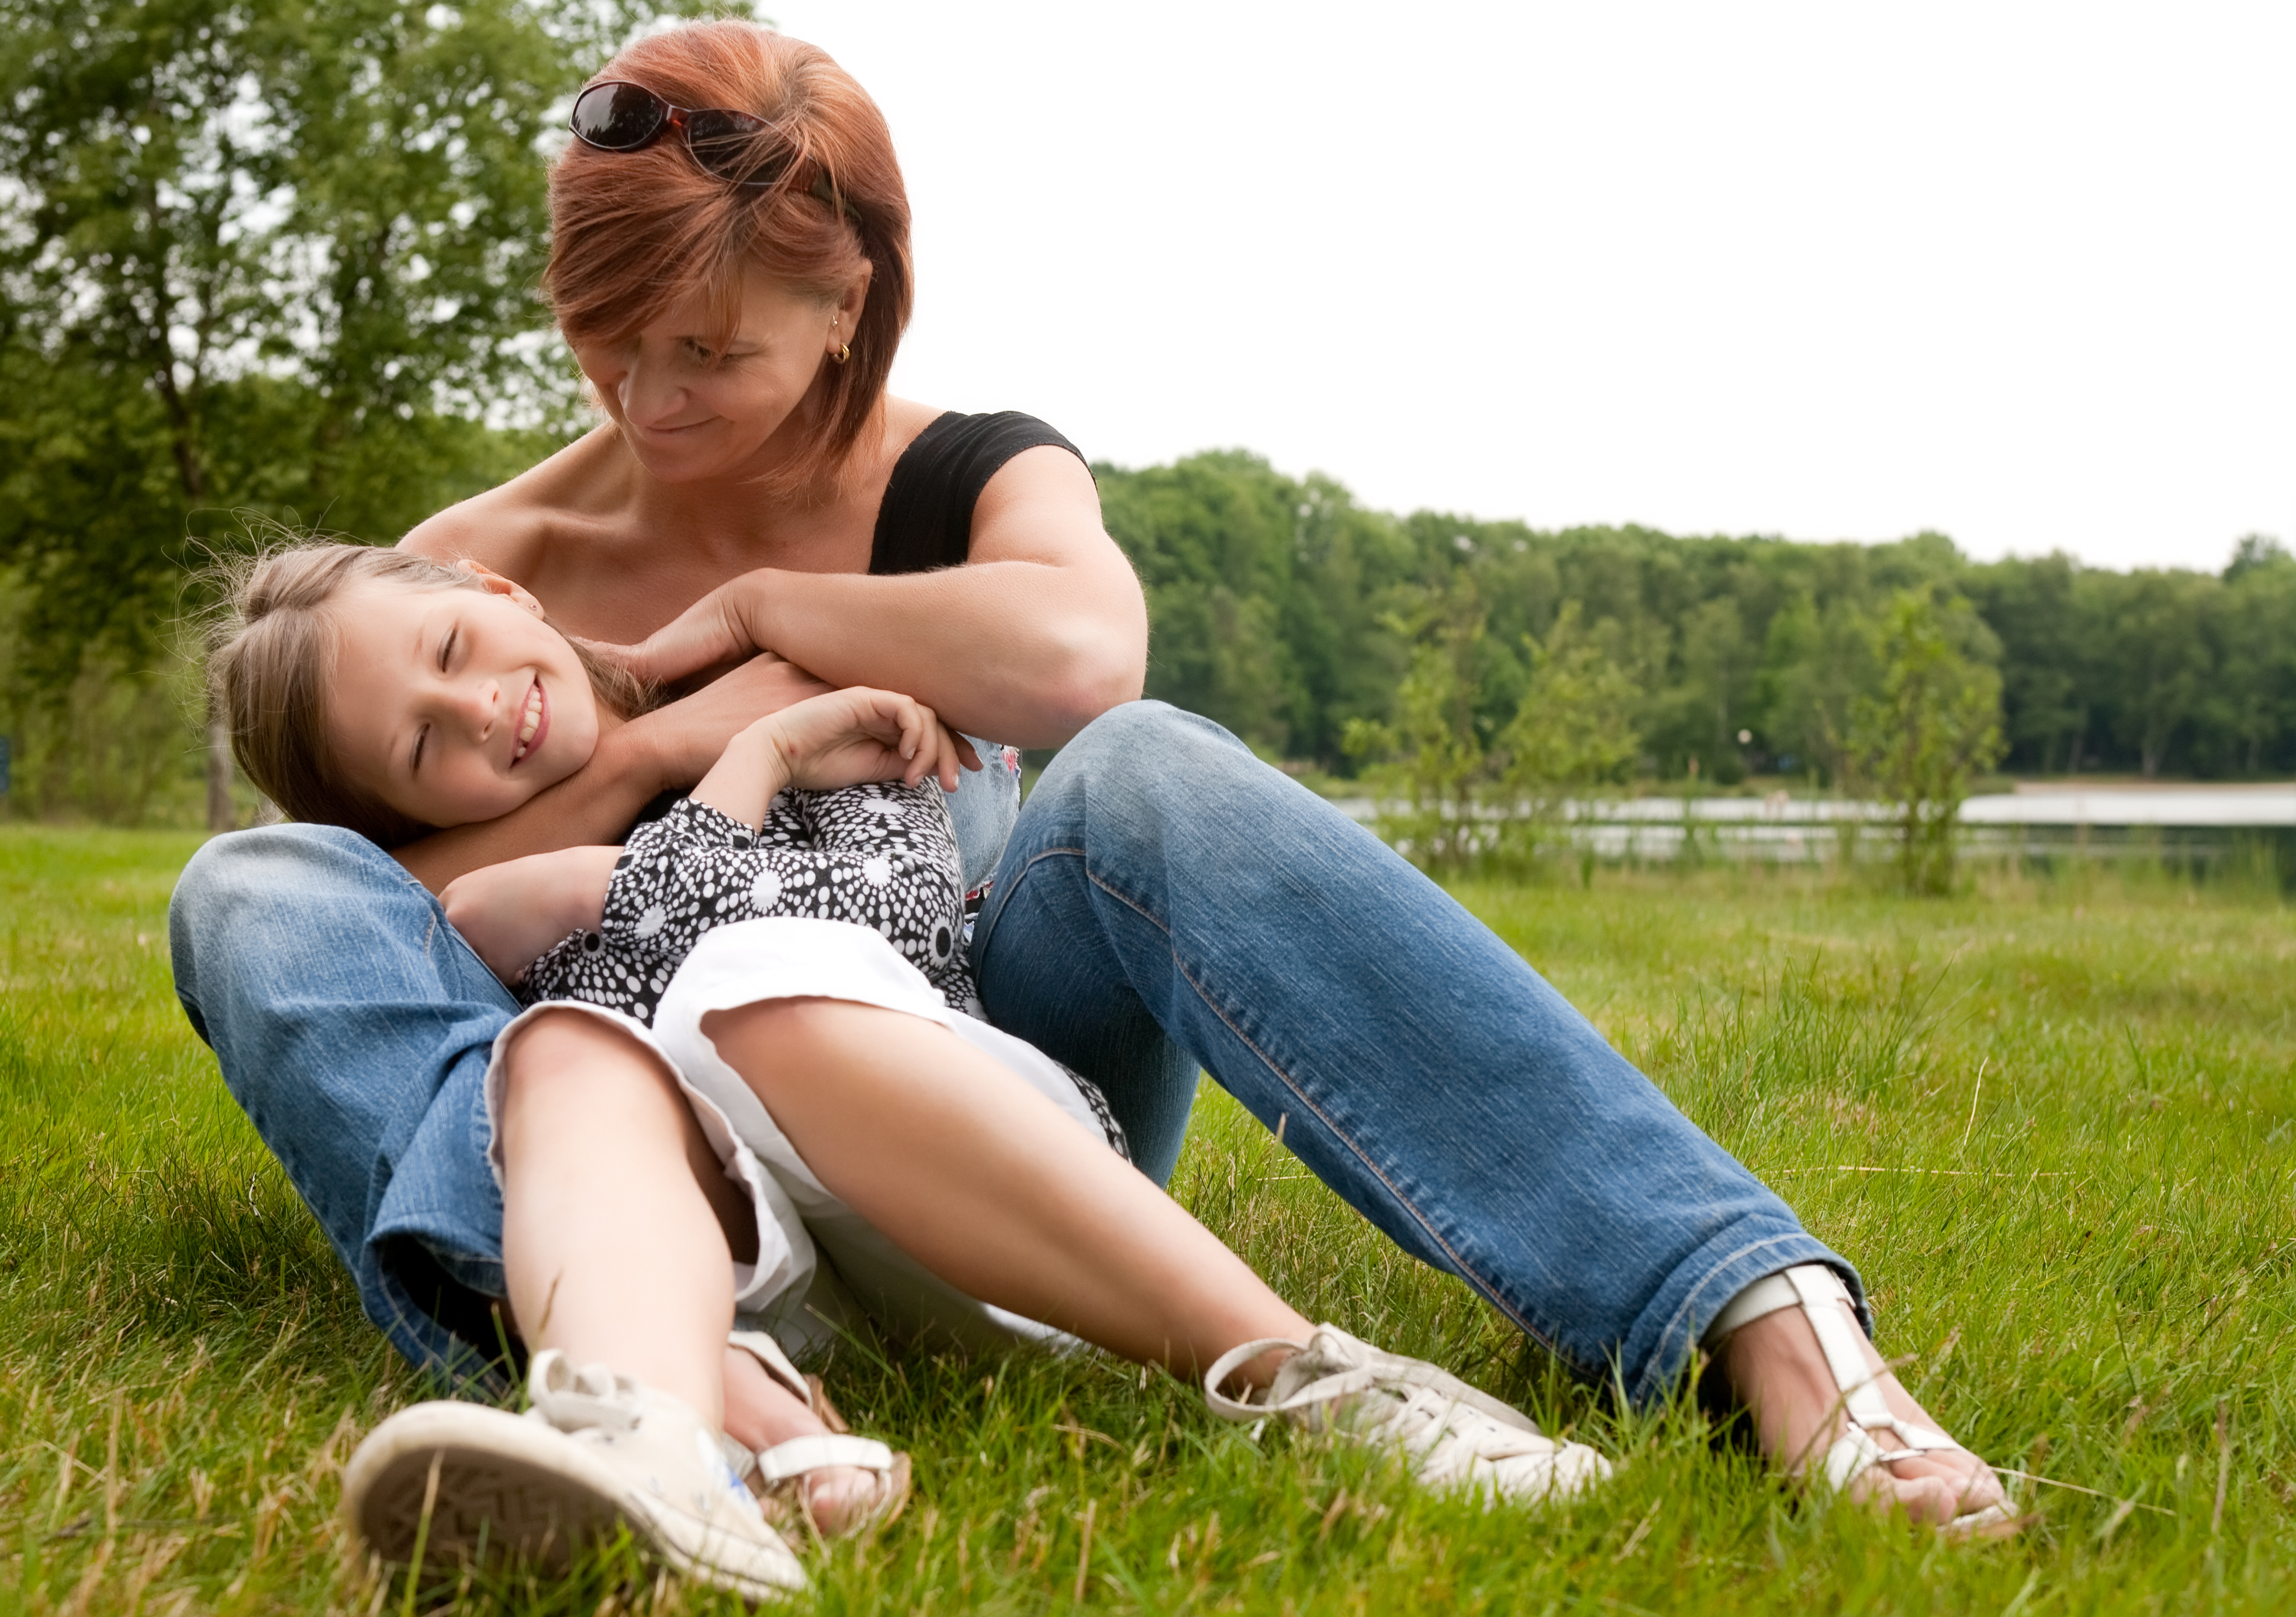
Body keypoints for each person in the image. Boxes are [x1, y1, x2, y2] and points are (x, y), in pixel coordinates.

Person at [166, 16, 2013, 1589]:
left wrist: (756, 625)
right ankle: (658, 1380)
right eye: (604, 333)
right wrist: (664, 743)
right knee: (252, 894)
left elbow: (1071, 666)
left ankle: (1761, 1325)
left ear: (847, 305)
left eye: (707, 348)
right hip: (674, 1160)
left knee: (1139, 772)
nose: (643, 394)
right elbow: (385, 908)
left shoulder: (973, 470)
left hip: (992, 1089)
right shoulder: (479, 573)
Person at [205, 541, 1609, 1599]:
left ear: (501, 594)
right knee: (564, 1054)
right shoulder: (504, 881)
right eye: (423, 748)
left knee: (744, 982)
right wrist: (731, 763)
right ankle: (657, 1442)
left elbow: (854, 934)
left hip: (968, 1164)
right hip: (767, 1274)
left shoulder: (851, 750)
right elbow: (469, 925)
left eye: (456, 650)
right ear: (394, 819)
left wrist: (731, 771)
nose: (481, 713)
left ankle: (1309, 1381)